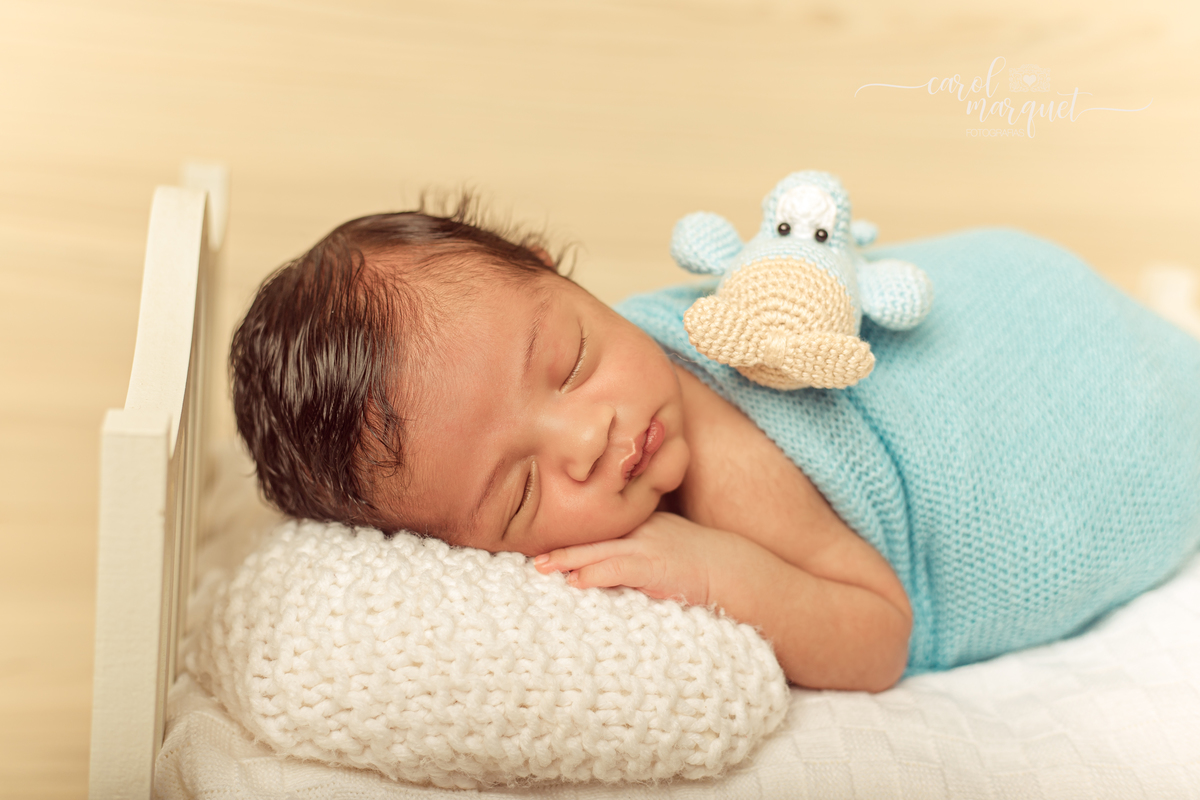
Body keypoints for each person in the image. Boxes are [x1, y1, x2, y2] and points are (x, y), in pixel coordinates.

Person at [230, 197, 1200, 693]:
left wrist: (714, 568)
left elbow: (877, 632)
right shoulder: (582, 403)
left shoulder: (722, 446)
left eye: (568, 358)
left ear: (549, 267)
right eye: (520, 492)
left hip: (1050, 354)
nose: (589, 435)